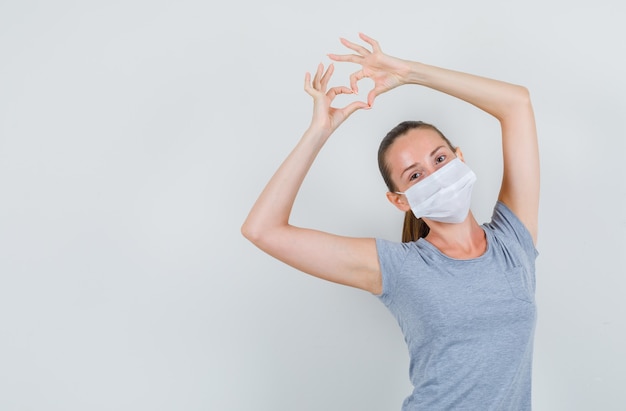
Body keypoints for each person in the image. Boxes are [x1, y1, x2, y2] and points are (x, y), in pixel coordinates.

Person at [241, 33, 539, 410]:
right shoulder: (400, 267)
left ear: (460, 156)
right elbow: (262, 230)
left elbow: (517, 103)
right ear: (400, 201)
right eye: (415, 176)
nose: (434, 176)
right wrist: (319, 131)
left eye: (440, 159)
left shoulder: (514, 241)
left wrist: (409, 72)